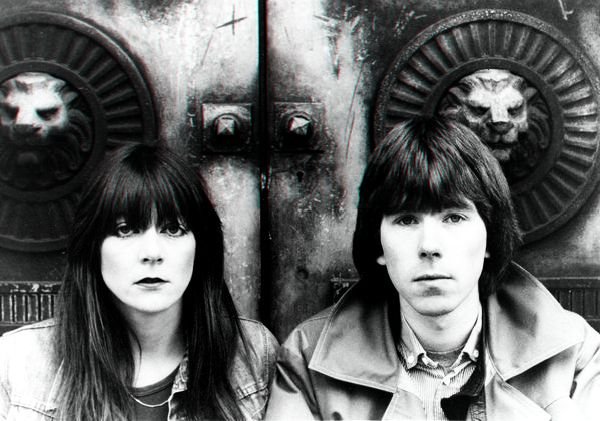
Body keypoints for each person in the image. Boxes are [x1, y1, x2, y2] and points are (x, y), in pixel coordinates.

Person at [265, 117, 600, 420]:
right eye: (406, 220)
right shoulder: (309, 360)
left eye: (453, 217)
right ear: (377, 245)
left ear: (490, 237)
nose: (429, 246)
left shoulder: (576, 354)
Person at [0, 143, 278, 420]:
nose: (152, 253)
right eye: (126, 230)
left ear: (200, 246)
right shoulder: (19, 361)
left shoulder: (253, 354)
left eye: (173, 229)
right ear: (93, 247)